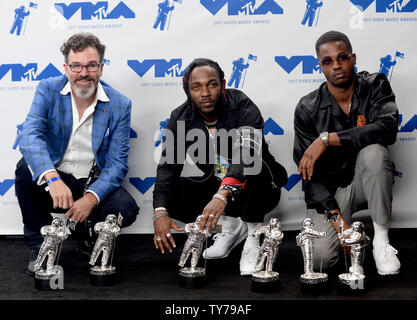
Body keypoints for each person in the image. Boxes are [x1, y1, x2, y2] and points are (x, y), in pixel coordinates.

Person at [15, 32, 139, 276]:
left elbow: (116, 164)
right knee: (24, 170)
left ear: (101, 68)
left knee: (127, 207)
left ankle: (87, 234)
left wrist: (91, 198)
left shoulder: (119, 104)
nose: (84, 73)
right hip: (57, 176)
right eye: (76, 66)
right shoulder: (47, 89)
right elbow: (30, 135)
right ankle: (38, 245)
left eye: (91, 65)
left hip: (92, 181)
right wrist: (51, 177)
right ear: (66, 67)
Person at [153, 58, 287, 276]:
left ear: (222, 86)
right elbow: (168, 167)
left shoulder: (242, 104)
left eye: (212, 85)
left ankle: (253, 235)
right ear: (187, 90)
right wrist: (159, 212)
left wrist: (222, 195)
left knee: (253, 167)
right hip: (217, 188)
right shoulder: (181, 117)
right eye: (196, 87)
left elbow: (247, 154)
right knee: (171, 195)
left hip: (259, 188)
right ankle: (230, 225)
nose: (205, 93)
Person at [293, 30, 401, 276]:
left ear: (353, 58)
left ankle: (381, 242)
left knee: (374, 151)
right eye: (328, 61)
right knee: (321, 259)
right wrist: (338, 222)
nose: (336, 65)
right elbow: (310, 175)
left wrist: (328, 139)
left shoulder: (375, 84)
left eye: (342, 58)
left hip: (367, 182)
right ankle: (349, 232)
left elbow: (387, 128)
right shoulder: (307, 107)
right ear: (320, 66)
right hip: (331, 192)